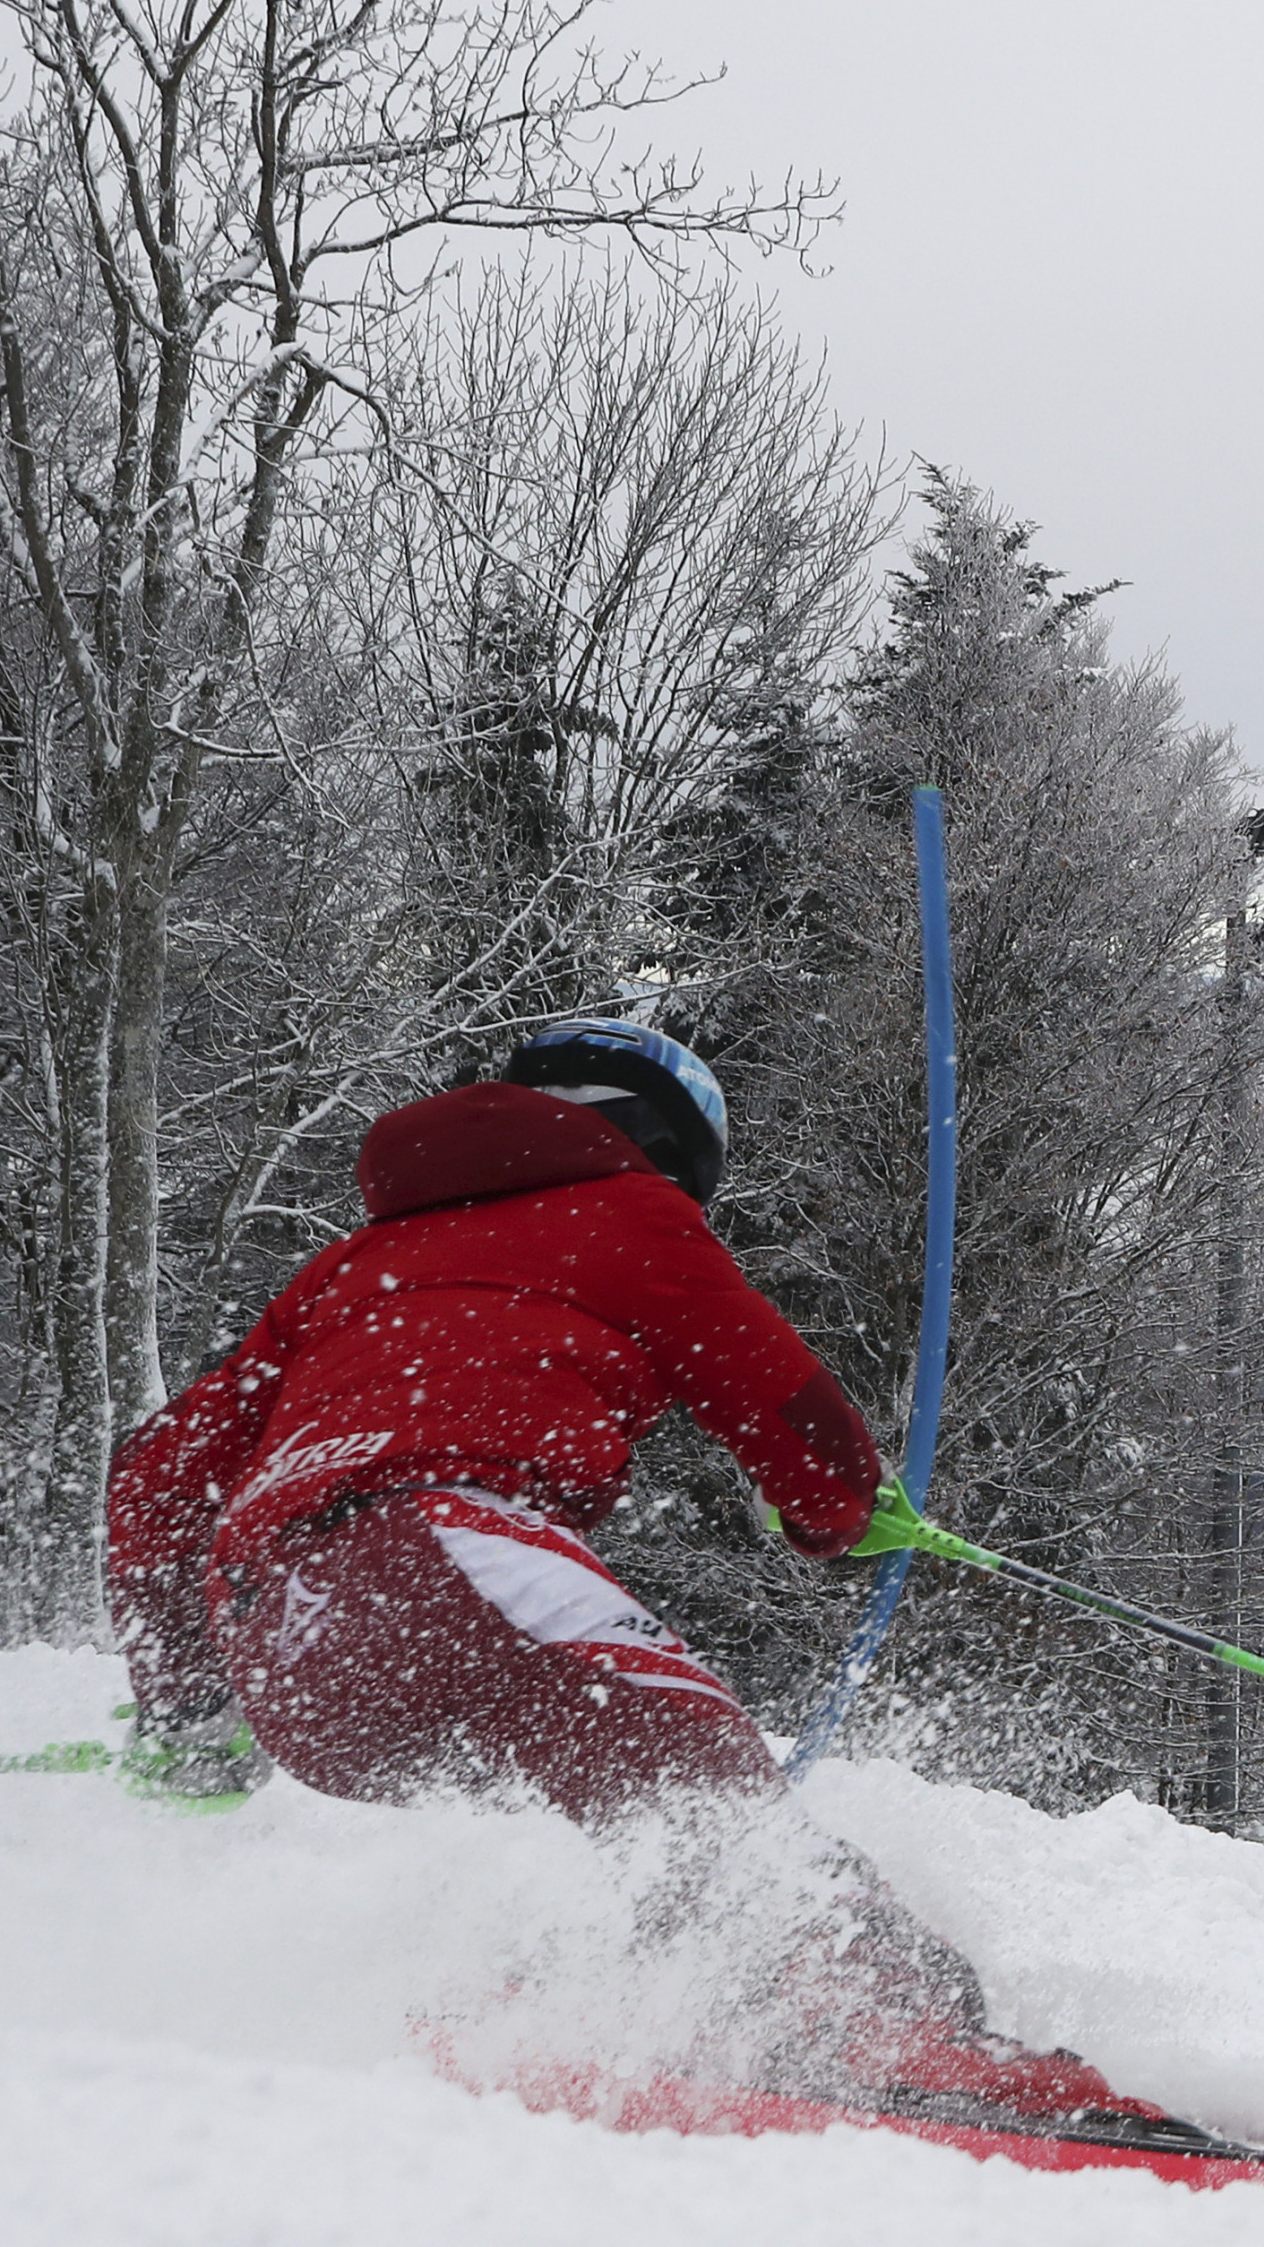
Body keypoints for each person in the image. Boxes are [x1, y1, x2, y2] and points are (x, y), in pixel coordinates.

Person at [109, 1018, 884, 1819]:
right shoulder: (630, 1208)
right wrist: (839, 1507)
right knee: (719, 1811)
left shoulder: (353, 1260)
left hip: (286, 1653)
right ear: (665, 1141)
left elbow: (159, 1471)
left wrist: (185, 1704)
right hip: (438, 1548)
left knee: (583, 1861)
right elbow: (783, 1398)